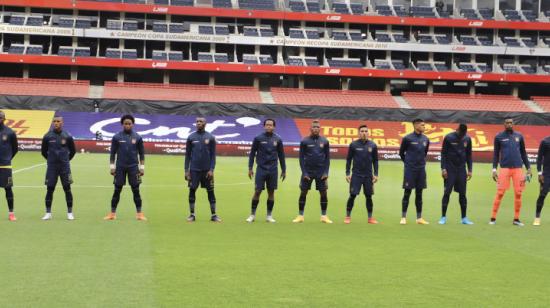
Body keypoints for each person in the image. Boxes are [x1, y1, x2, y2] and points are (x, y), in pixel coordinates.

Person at [104, 115, 146, 221]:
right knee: (117, 190)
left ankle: (139, 214)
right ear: (122, 124)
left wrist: (142, 167)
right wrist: (112, 167)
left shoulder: (138, 137)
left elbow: (141, 154)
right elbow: (112, 153)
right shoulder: (117, 137)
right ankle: (112, 214)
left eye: (129, 123)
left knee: (136, 190)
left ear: (133, 124)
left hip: (133, 167)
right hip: (120, 167)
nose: (127, 125)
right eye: (125, 123)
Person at [490, 118, 532, 226]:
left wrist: (528, 168)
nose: (509, 124)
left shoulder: (519, 136)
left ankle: (516, 219)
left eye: (511, 123)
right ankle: (493, 218)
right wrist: (494, 169)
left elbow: (523, 153)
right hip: (504, 168)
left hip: (518, 168)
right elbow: (495, 154)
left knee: (518, 193)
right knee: (500, 193)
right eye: (507, 123)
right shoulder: (499, 137)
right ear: (504, 124)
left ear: (513, 124)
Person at [246, 119, 286, 223]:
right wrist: (250, 168)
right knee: (257, 191)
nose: (269, 126)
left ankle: (269, 216)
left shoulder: (278, 139)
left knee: (271, 192)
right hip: (261, 169)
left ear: (274, 127)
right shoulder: (258, 138)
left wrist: (284, 169)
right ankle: (252, 215)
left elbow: (281, 155)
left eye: (271, 125)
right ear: (264, 126)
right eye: (267, 125)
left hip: (273, 169)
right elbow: (252, 154)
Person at [293, 120, 332, 224]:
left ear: (320, 129)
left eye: (318, 127)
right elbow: (301, 158)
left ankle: (324, 216)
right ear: (310, 128)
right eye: (314, 127)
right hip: (308, 172)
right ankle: (300, 216)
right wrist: (304, 172)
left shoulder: (325, 141)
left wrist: (326, 172)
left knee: (323, 193)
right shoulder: (304, 141)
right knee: (303, 192)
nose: (316, 129)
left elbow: (327, 158)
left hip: (321, 172)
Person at [184, 117, 220, 222]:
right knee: (192, 190)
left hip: (207, 170)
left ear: (205, 124)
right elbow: (187, 156)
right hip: (194, 170)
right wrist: (186, 170)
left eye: (201, 122)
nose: (199, 123)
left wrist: (211, 169)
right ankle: (192, 215)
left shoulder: (211, 137)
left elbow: (213, 155)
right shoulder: (191, 137)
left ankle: (214, 215)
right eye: (197, 122)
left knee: (210, 191)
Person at [40, 116, 76, 220]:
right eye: (54, 121)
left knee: (67, 189)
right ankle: (48, 213)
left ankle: (70, 213)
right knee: (50, 189)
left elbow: (73, 151)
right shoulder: (47, 136)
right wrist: (51, 160)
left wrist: (65, 160)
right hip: (52, 167)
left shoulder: (67, 136)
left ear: (62, 123)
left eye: (58, 121)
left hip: (65, 167)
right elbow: (43, 152)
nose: (56, 123)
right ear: (52, 123)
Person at [439, 123, 474, 225]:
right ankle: (443, 217)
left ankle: (464, 218)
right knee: (447, 193)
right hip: (450, 170)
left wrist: (470, 169)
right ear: (457, 130)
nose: (462, 135)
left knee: (463, 194)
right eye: (461, 133)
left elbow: (469, 155)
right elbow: (443, 153)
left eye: (464, 133)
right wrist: (443, 168)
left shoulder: (467, 139)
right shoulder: (449, 137)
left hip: (461, 170)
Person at [344, 124, 379, 224]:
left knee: (369, 196)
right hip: (356, 175)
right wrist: (347, 173)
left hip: (368, 176)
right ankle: (347, 216)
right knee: (353, 195)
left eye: (366, 131)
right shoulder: (353, 144)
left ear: (368, 133)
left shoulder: (373, 145)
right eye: (362, 131)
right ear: (358, 133)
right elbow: (348, 159)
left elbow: (375, 161)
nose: (364, 133)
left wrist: (376, 174)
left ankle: (370, 218)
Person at [399, 118, 430, 225]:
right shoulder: (407, 138)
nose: (424, 127)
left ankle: (419, 218)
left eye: (424, 125)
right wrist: (408, 163)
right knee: (407, 192)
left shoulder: (426, 139)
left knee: (419, 193)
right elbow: (401, 153)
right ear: (415, 125)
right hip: (410, 170)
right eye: (422, 125)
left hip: (421, 169)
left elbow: (424, 153)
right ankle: (403, 217)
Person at [0, 111, 18, 221]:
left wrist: (7, 159)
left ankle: (11, 213)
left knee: (8, 189)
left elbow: (15, 149)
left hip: (5, 166)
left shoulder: (10, 132)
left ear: (3, 119)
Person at [533, 135, 550, 226]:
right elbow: (539, 158)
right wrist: (539, 173)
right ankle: (537, 217)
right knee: (542, 195)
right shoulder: (545, 141)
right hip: (547, 174)